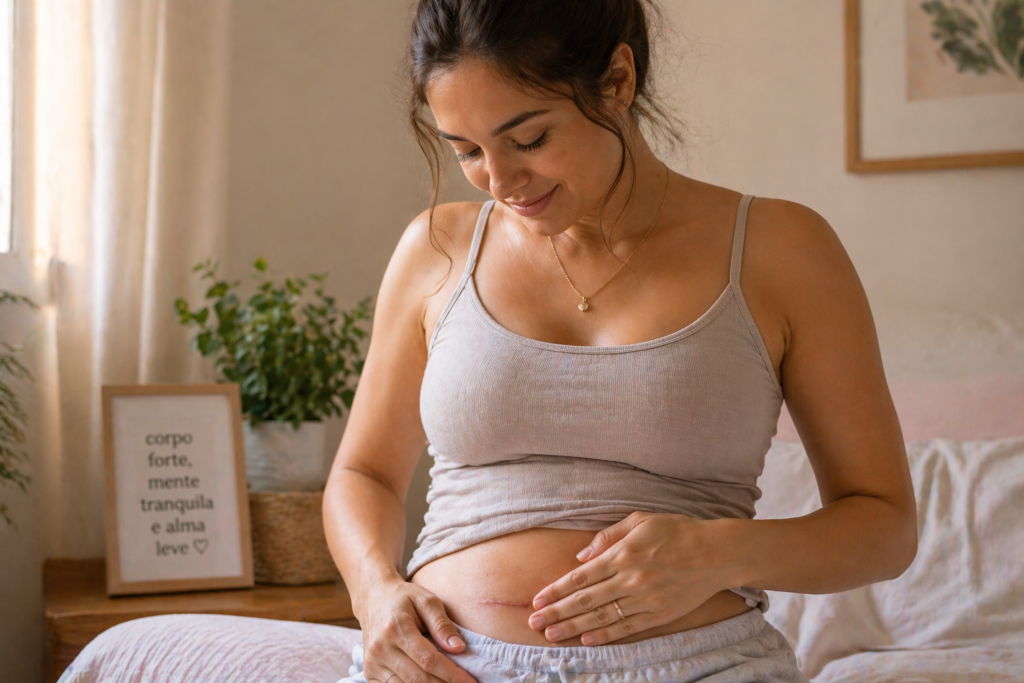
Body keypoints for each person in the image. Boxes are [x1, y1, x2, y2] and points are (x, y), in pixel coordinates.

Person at [323, 1, 918, 682]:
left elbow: (885, 525)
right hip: (446, 666)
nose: (500, 181)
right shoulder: (436, 249)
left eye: (529, 139)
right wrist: (374, 593)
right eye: (467, 151)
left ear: (617, 80)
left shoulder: (781, 250)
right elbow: (363, 473)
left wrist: (721, 551)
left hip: (697, 666)